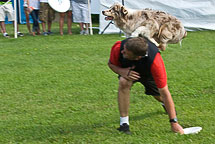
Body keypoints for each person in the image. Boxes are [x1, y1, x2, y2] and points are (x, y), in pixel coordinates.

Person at [108, 37, 184, 134]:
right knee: (123, 82)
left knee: (158, 95)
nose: (122, 52)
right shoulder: (119, 47)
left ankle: (165, 105)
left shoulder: (155, 62)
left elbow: (164, 92)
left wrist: (174, 122)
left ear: (138, 57)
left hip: (148, 73)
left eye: (126, 53)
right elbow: (111, 64)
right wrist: (121, 71)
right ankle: (124, 124)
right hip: (128, 71)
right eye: (124, 50)